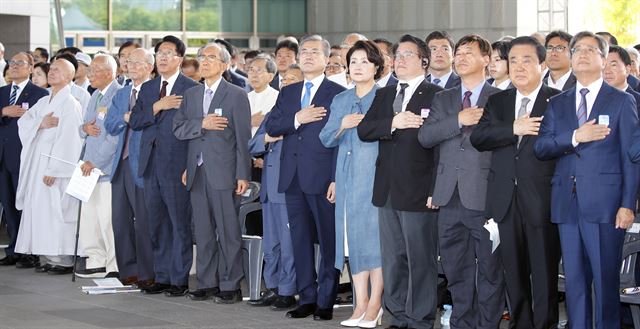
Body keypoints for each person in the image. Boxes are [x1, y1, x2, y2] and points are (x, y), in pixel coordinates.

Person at [534, 31, 639, 329]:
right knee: (575, 284)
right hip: (567, 205)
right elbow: (542, 147)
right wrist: (575, 137)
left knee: (605, 285)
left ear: (603, 60)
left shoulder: (621, 101)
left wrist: (627, 205)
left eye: (589, 50)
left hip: (606, 208)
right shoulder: (558, 102)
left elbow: (631, 159)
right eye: (576, 49)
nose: (581, 54)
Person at [470, 36, 562, 329]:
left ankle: (545, 324)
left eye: (526, 60)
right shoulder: (498, 100)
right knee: (514, 273)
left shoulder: (557, 101)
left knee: (544, 274)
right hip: (504, 202)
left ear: (542, 64)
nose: (519, 67)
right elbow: (478, 138)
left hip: (542, 200)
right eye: (513, 61)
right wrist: (513, 128)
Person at [357, 34, 443, 329]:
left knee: (420, 259)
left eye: (408, 54)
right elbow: (365, 129)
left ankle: (419, 319)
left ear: (424, 61)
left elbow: (440, 149)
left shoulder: (436, 94)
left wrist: (435, 190)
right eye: (398, 55)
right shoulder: (385, 93)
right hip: (387, 189)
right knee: (393, 258)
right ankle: (398, 315)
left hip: (420, 190)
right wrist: (393, 123)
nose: (400, 60)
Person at [419, 34, 504, 329]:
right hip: (448, 196)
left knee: (491, 270)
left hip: (485, 196)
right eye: (459, 53)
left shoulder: (500, 98)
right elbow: (426, 137)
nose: (460, 57)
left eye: (469, 52)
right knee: (456, 268)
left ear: (486, 59)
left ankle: (488, 324)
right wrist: (458, 120)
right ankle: (462, 322)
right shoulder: (444, 98)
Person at [264, 34, 345, 321]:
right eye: (305, 52)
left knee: (327, 241)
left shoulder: (338, 93)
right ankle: (306, 297)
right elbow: (273, 124)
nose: (308, 56)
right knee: (298, 240)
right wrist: (298, 118)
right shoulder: (288, 92)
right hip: (291, 177)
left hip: (323, 178)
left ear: (326, 59)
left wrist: (336, 177)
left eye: (315, 52)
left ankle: (326, 301)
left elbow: (340, 139)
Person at [173, 42, 251, 303]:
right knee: (203, 231)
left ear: (225, 64)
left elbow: (243, 139)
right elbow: (179, 128)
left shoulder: (237, 94)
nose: (204, 62)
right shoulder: (192, 95)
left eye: (211, 57)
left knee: (228, 232)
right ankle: (207, 282)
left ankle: (230, 285)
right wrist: (201, 124)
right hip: (197, 172)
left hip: (225, 173)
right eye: (201, 57)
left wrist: (243, 174)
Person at [319, 40, 384, 328]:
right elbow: (326, 138)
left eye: (364, 61)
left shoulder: (385, 97)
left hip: (374, 176)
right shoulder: (340, 100)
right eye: (353, 62)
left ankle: (375, 303)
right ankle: (359, 303)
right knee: (350, 240)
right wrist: (342, 124)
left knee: (374, 242)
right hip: (346, 177)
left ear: (377, 67)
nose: (358, 67)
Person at [129, 35, 199, 297]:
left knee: (179, 223)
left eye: (169, 53)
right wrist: (158, 106)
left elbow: (195, 131)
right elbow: (135, 121)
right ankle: (162, 275)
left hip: (177, 166)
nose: (163, 57)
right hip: (151, 165)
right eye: (159, 53)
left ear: (180, 59)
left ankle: (179, 279)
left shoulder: (191, 87)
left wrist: (190, 166)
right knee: (156, 223)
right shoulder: (148, 89)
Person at [14, 58, 84, 274]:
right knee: (40, 210)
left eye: (57, 70)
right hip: (38, 162)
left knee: (56, 212)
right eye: (51, 69)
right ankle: (47, 256)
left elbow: (70, 140)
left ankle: (62, 258)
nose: (51, 72)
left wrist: (56, 169)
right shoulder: (44, 101)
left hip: (54, 166)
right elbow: (24, 123)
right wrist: (40, 124)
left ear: (68, 76)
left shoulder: (70, 103)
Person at [104, 48, 155, 288]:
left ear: (149, 66)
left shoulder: (155, 91)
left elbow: (149, 121)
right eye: (127, 62)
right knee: (120, 219)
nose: (130, 66)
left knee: (143, 220)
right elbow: (111, 124)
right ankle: (128, 270)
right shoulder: (122, 93)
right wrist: (128, 116)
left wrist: (131, 118)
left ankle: (148, 272)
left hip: (143, 162)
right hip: (120, 163)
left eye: (136, 62)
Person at [247, 100, 298, 310]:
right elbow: (252, 144)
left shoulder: (303, 116)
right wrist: (268, 138)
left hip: (288, 189)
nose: (287, 85)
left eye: (292, 80)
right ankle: (273, 286)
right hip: (269, 188)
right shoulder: (272, 115)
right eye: (284, 81)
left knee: (288, 245)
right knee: (271, 245)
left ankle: (287, 290)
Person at [74, 54, 122, 279]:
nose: (89, 74)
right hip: (87, 167)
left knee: (107, 220)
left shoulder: (118, 94)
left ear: (109, 73)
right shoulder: (95, 95)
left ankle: (113, 264)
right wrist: (84, 128)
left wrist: (97, 162)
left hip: (105, 168)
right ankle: (96, 260)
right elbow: (83, 127)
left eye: (94, 70)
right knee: (90, 219)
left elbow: (115, 137)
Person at [0, 52, 48, 268]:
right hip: (3, 157)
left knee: (26, 205)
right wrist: (4, 111)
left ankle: (29, 250)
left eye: (20, 63)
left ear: (31, 68)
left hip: (24, 157)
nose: (14, 66)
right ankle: (14, 249)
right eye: (12, 63)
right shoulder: (2, 92)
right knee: (8, 204)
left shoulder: (39, 93)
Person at [247, 54, 279, 136]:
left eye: (259, 70)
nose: (254, 75)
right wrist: (249, 121)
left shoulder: (278, 98)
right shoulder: (243, 97)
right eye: (251, 70)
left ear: (270, 77)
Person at [604, 45, 640, 115]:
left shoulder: (637, 101)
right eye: (604, 65)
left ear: (627, 70)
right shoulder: (594, 99)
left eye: (613, 65)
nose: (607, 71)